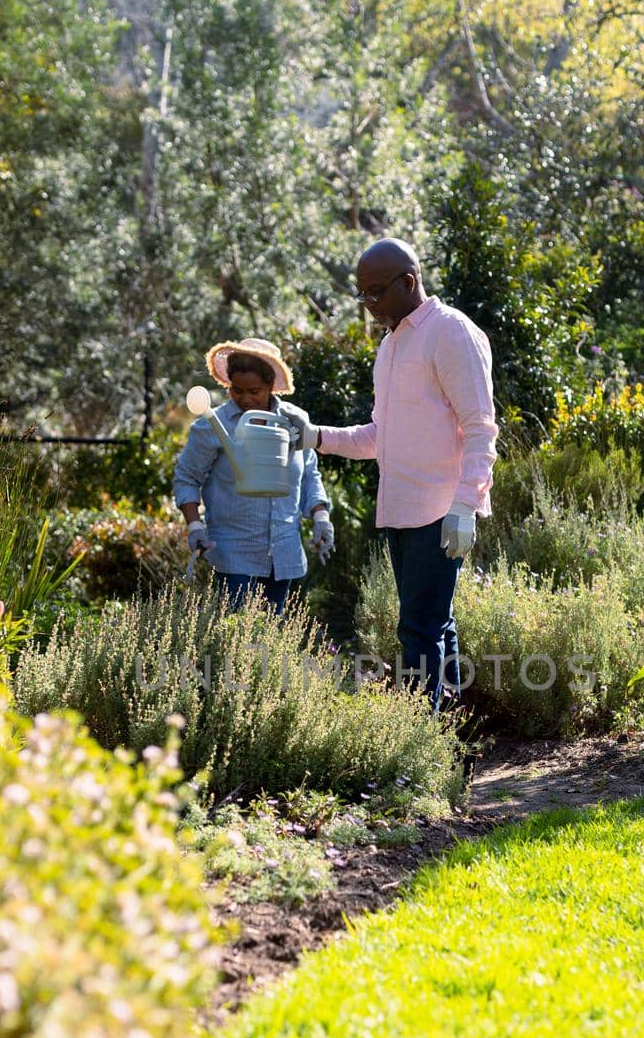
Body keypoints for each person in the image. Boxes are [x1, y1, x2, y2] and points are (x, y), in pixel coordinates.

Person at [295, 239, 497, 705]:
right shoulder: (389, 346)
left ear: (408, 282)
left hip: (440, 511)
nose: (367, 306)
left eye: (374, 293)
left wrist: (465, 505)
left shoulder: (451, 333)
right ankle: (453, 744)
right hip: (401, 512)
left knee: (418, 629)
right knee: (434, 624)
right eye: (361, 294)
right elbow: (378, 437)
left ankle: (419, 753)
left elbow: (481, 428)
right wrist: (315, 436)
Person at [173, 337, 333, 614]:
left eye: (254, 391)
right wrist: (194, 526)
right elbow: (187, 477)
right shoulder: (214, 425)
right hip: (233, 551)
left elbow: (309, 475)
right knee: (238, 634)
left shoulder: (294, 422)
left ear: (271, 386)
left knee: (271, 637)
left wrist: (320, 516)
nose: (245, 399)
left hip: (282, 552)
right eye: (237, 390)